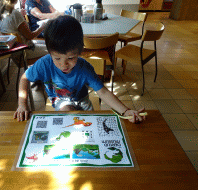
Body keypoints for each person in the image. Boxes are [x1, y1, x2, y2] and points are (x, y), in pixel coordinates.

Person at [14, 15, 146, 124]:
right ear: (49, 52)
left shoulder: (85, 68)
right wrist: (22, 104)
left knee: (89, 124)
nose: (63, 65)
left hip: (83, 100)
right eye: (57, 59)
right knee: (68, 116)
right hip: (60, 100)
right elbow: (25, 78)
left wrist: (125, 111)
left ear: (80, 52)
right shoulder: (44, 63)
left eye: (71, 58)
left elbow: (103, 92)